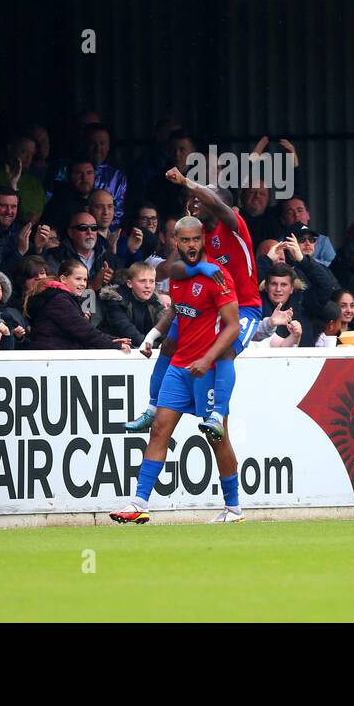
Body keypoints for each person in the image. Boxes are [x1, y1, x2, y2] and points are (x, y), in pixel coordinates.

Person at [111, 216, 242, 524]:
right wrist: (153, 335)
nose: (191, 245)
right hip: (180, 365)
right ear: (176, 242)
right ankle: (139, 503)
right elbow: (175, 310)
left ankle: (234, 508)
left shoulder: (218, 276)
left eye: (196, 239)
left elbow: (233, 326)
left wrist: (208, 359)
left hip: (208, 370)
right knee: (159, 429)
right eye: (185, 240)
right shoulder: (178, 275)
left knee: (217, 439)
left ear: (203, 239)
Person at [129, 170, 263, 438]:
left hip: (245, 307)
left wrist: (187, 182)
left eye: (205, 196)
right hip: (208, 308)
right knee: (169, 345)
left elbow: (214, 202)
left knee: (225, 351)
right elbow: (170, 271)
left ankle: (217, 416)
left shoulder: (234, 226)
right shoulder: (197, 237)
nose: (197, 200)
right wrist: (193, 262)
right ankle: (152, 408)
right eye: (194, 197)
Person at [24, 259, 131, 351]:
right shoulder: (58, 299)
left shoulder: (62, 297)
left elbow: (83, 331)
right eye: (78, 279)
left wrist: (111, 340)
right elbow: (82, 330)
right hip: (52, 358)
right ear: (63, 279)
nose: (83, 284)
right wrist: (111, 344)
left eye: (85, 280)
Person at [98, 262, 165, 347]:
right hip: (111, 350)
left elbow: (165, 331)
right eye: (142, 281)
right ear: (129, 283)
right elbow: (129, 332)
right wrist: (158, 346)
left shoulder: (156, 303)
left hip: (143, 349)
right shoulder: (116, 301)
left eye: (152, 281)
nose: (148, 286)